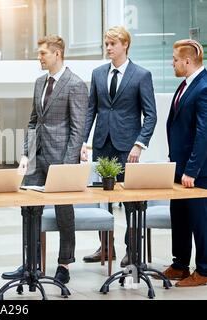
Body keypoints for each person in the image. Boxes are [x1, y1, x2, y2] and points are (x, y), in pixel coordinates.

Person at [1, 35, 89, 283]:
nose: (38, 57)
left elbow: (78, 128)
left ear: (57, 53)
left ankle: (64, 264)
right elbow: (32, 121)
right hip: (36, 157)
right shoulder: (40, 83)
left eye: (42, 53)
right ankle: (31, 263)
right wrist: (25, 154)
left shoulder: (75, 84)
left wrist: (68, 163)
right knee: (29, 209)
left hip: (62, 158)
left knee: (64, 211)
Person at [80, 26, 157, 267]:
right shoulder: (97, 73)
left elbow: (151, 115)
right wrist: (84, 141)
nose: (108, 48)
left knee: (130, 199)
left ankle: (132, 250)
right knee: (104, 198)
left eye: (113, 44)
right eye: (106, 44)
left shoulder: (141, 75)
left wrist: (139, 144)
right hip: (102, 144)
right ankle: (106, 247)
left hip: (127, 148)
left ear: (125, 45)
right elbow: (91, 109)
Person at [159, 39, 207, 287]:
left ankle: (205, 270)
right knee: (179, 217)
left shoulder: (204, 86)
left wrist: (191, 170)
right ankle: (180, 265)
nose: (172, 63)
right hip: (178, 168)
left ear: (188, 61)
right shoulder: (186, 85)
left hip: (196, 172)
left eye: (175, 60)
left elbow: (203, 133)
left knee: (200, 221)